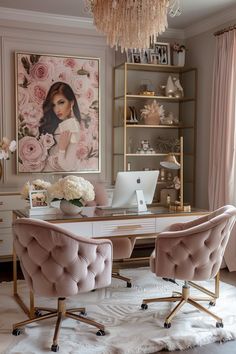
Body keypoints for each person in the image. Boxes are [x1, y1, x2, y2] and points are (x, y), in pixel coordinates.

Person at [39, 82, 81, 171]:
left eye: (61, 102)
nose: (57, 109)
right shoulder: (63, 124)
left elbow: (67, 166)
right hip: (49, 177)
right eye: (54, 105)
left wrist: (62, 148)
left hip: (57, 178)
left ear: (72, 102)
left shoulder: (73, 127)